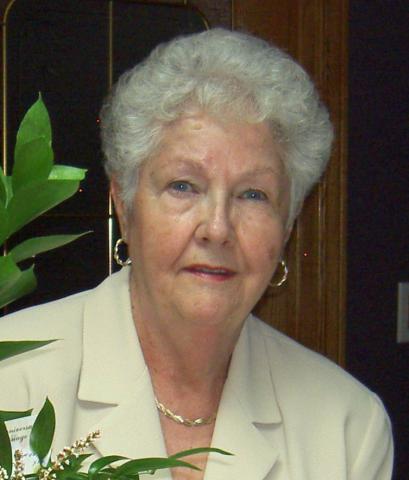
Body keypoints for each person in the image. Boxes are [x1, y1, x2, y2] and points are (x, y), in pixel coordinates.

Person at [1, 29, 392, 480]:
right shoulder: (10, 376)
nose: (217, 229)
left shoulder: (347, 428)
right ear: (125, 207)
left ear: (287, 225)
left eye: (253, 194)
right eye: (183, 186)